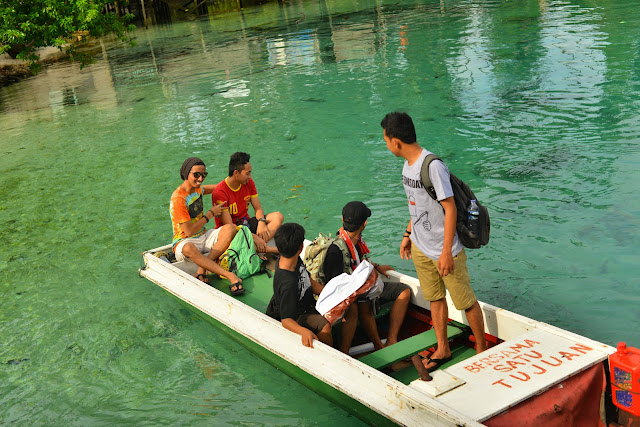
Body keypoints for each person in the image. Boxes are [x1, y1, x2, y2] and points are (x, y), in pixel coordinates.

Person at [381, 112, 487, 380]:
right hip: (420, 246)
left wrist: (445, 253)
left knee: (465, 301)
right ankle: (443, 349)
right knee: (434, 299)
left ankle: (482, 350)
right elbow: (417, 205)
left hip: (444, 250)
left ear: (395, 141)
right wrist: (408, 234)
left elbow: (449, 208)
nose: (385, 144)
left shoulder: (432, 166)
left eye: (385, 139)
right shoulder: (407, 166)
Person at [323, 201, 411, 352]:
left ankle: (391, 340)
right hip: (348, 296)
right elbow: (335, 287)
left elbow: (360, 261)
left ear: (343, 220)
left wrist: (376, 267)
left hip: (362, 288)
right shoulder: (335, 251)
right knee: (360, 305)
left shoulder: (356, 241)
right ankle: (374, 345)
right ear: (364, 224)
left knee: (404, 291)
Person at [170, 157, 244, 296]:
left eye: (204, 175)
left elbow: (214, 188)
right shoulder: (178, 199)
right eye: (196, 175)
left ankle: (202, 268)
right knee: (188, 248)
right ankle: (229, 276)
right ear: (186, 174)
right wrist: (210, 214)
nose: (200, 178)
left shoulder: (197, 189)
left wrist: (232, 184)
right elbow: (189, 231)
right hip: (185, 241)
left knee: (230, 228)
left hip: (204, 236)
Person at [266, 223, 333, 348]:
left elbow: (307, 279)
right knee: (325, 326)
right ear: (301, 247)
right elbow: (286, 320)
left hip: (306, 304)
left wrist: (329, 294)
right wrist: (303, 331)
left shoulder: (294, 259)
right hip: (295, 315)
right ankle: (331, 353)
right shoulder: (288, 283)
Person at [211, 152, 283, 254]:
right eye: (247, 173)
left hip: (246, 224)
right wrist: (253, 237)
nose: (250, 176)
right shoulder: (220, 192)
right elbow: (229, 225)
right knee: (232, 232)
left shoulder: (249, 183)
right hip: (232, 232)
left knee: (277, 216)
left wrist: (262, 222)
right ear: (236, 173)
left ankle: (256, 246)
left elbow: (258, 208)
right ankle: (266, 248)